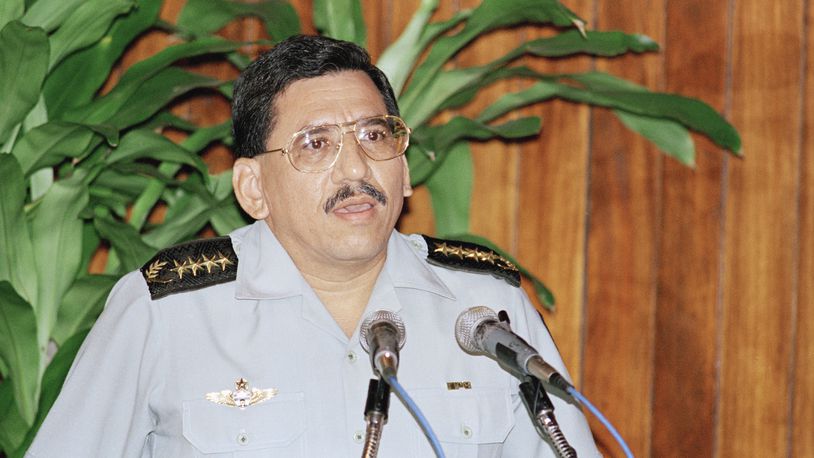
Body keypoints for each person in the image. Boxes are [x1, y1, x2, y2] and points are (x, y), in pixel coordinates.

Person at [27, 35, 600, 457]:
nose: (355, 166)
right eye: (315, 144)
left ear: (403, 170)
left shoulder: (482, 311)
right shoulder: (166, 314)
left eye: (375, 136)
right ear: (253, 188)